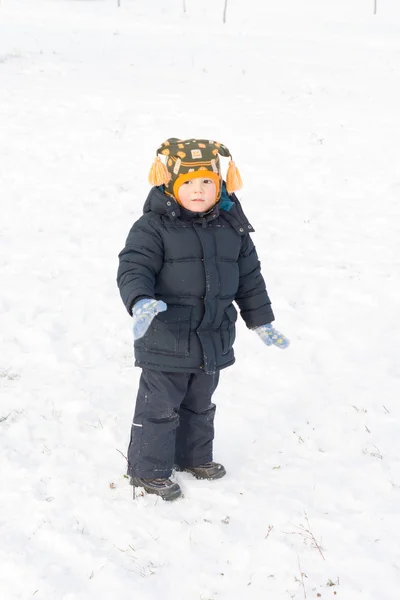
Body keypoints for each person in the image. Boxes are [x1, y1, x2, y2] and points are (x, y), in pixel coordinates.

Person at [117, 138, 289, 501]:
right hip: (166, 335)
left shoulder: (232, 228)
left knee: (200, 403)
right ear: (172, 186)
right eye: (189, 184)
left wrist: (262, 321)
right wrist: (141, 301)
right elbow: (134, 267)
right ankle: (148, 471)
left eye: (207, 183)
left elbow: (250, 278)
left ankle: (194, 457)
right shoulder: (152, 227)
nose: (199, 191)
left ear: (220, 185)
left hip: (212, 336)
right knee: (160, 408)